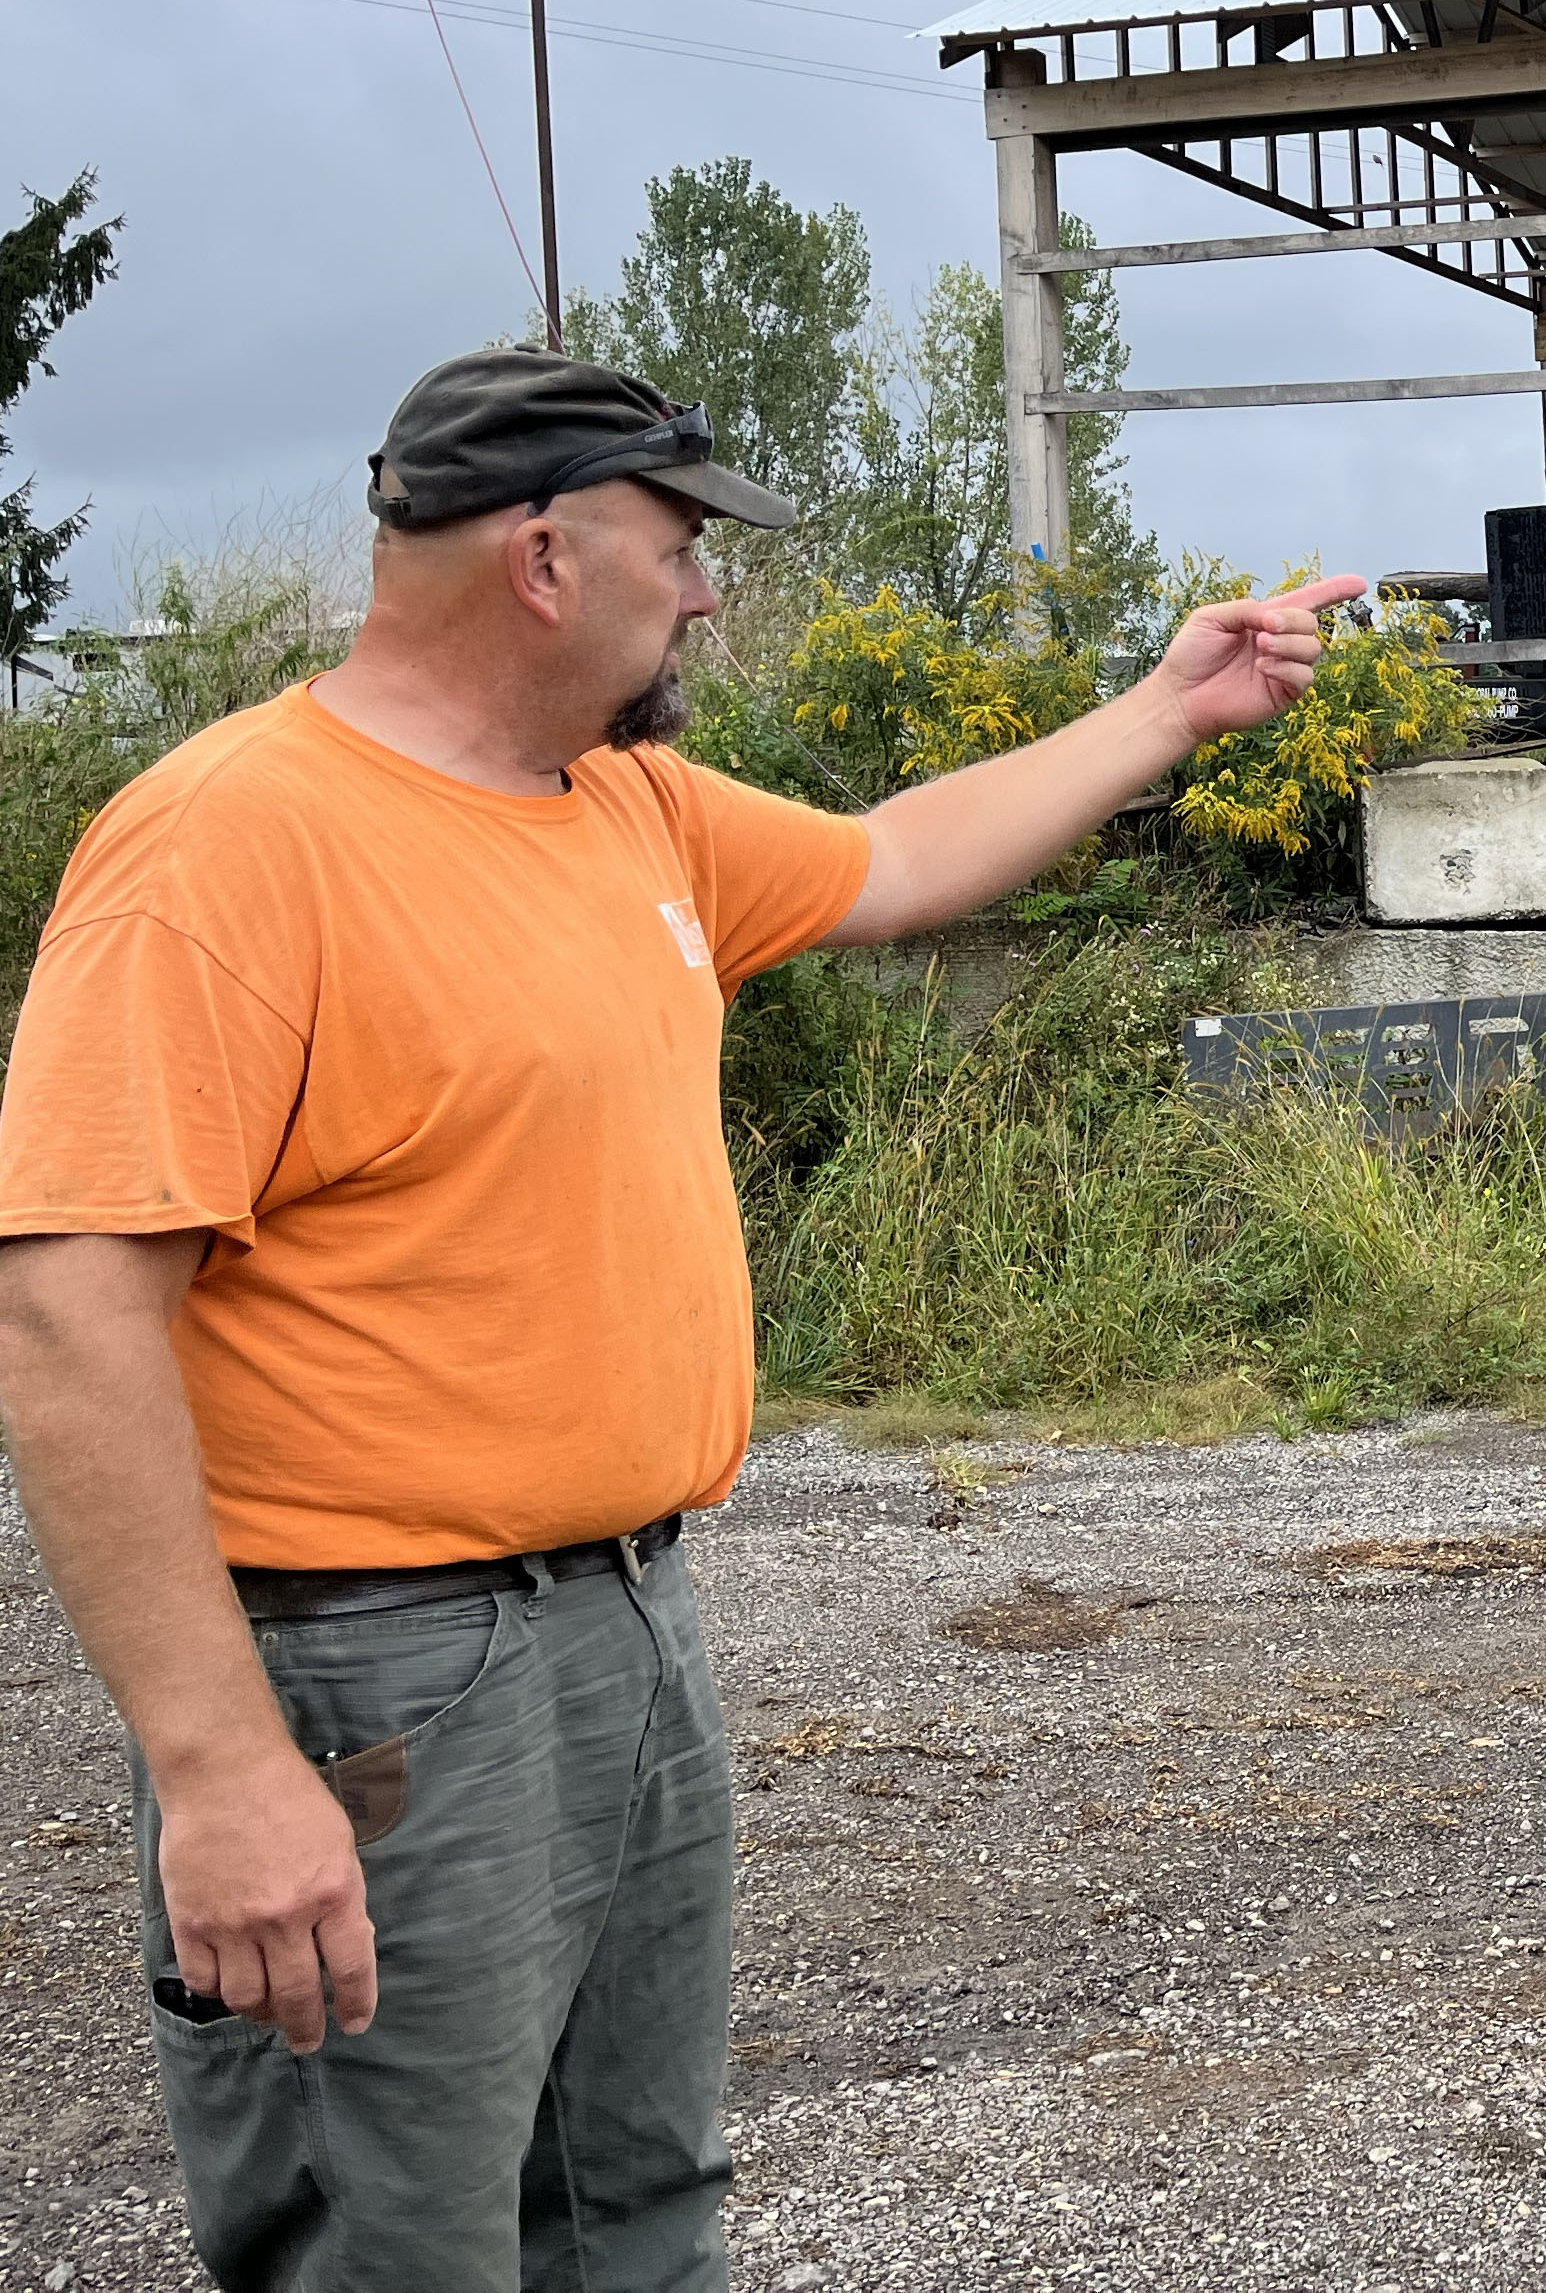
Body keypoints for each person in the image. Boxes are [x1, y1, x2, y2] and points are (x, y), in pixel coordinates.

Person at [0, 349, 1364, 2290]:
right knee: (396, 2246)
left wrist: (1167, 708)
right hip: (375, 1679)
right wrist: (219, 1774)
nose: (708, 590)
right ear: (543, 558)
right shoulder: (231, 844)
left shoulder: (624, 811)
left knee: (636, 2210)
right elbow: (65, 1321)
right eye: (681, 545)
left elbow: (893, 862)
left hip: (625, 1629)